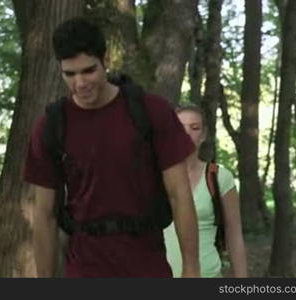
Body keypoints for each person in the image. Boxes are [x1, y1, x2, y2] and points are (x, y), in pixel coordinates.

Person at [23, 17, 200, 278]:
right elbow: (44, 215)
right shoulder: (51, 126)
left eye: (88, 70)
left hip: (147, 265)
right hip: (85, 267)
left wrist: (192, 269)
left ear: (105, 60)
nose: (80, 83)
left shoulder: (151, 111)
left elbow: (180, 195)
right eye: (69, 74)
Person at [164, 106, 248, 278]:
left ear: (203, 136)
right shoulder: (153, 176)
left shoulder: (218, 177)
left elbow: (234, 236)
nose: (186, 133)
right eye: (180, 127)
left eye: (194, 128)